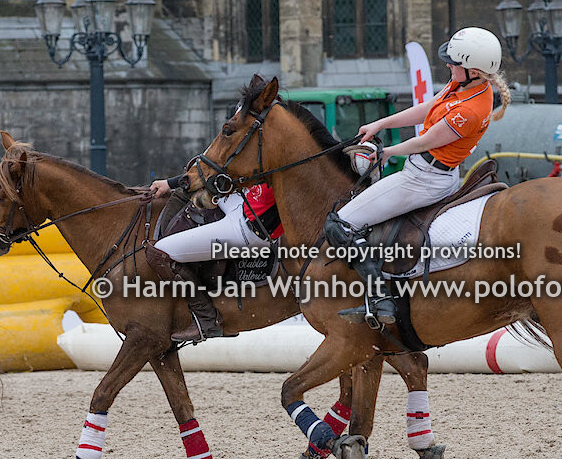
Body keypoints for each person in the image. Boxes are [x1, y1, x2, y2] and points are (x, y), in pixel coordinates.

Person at [324, 27, 511, 325]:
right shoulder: (466, 85)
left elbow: (425, 142)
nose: (447, 64)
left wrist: (386, 153)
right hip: (429, 171)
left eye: (453, 62)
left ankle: (380, 299)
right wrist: (380, 124)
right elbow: (428, 108)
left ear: (473, 70)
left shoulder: (470, 110)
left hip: (423, 180)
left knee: (340, 224)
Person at [145, 174, 283, 342]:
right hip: (243, 202)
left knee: (160, 252)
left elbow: (213, 171)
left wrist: (172, 183)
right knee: (199, 182)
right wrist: (172, 183)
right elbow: (212, 171)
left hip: (246, 227)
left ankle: (206, 318)